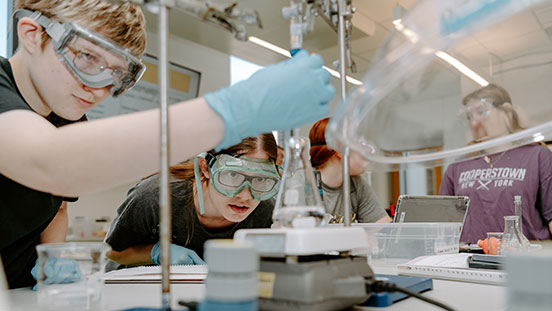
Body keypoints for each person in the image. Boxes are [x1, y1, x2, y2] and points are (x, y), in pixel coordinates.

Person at [1, 0, 334, 289]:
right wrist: (236, 109)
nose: (100, 88)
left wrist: (49, 261)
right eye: (87, 58)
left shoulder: (66, 114)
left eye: (117, 74)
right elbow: (48, 163)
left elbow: (57, 204)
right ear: (32, 34)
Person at [105, 134, 278, 269]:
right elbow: (111, 252)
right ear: (205, 167)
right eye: (232, 175)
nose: (246, 196)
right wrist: (156, 252)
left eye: (261, 180)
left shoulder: (265, 209)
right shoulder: (156, 196)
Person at [439, 84, 552, 244]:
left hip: (524, 261)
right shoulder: (458, 166)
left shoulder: (538, 156)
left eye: (480, 112)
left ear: (507, 111)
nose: (475, 122)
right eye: (470, 116)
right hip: (471, 262)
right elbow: (444, 226)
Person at [309, 118, 391, 223]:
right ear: (339, 150)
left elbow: (383, 229)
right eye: (360, 143)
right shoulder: (303, 185)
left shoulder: (357, 184)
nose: (368, 150)